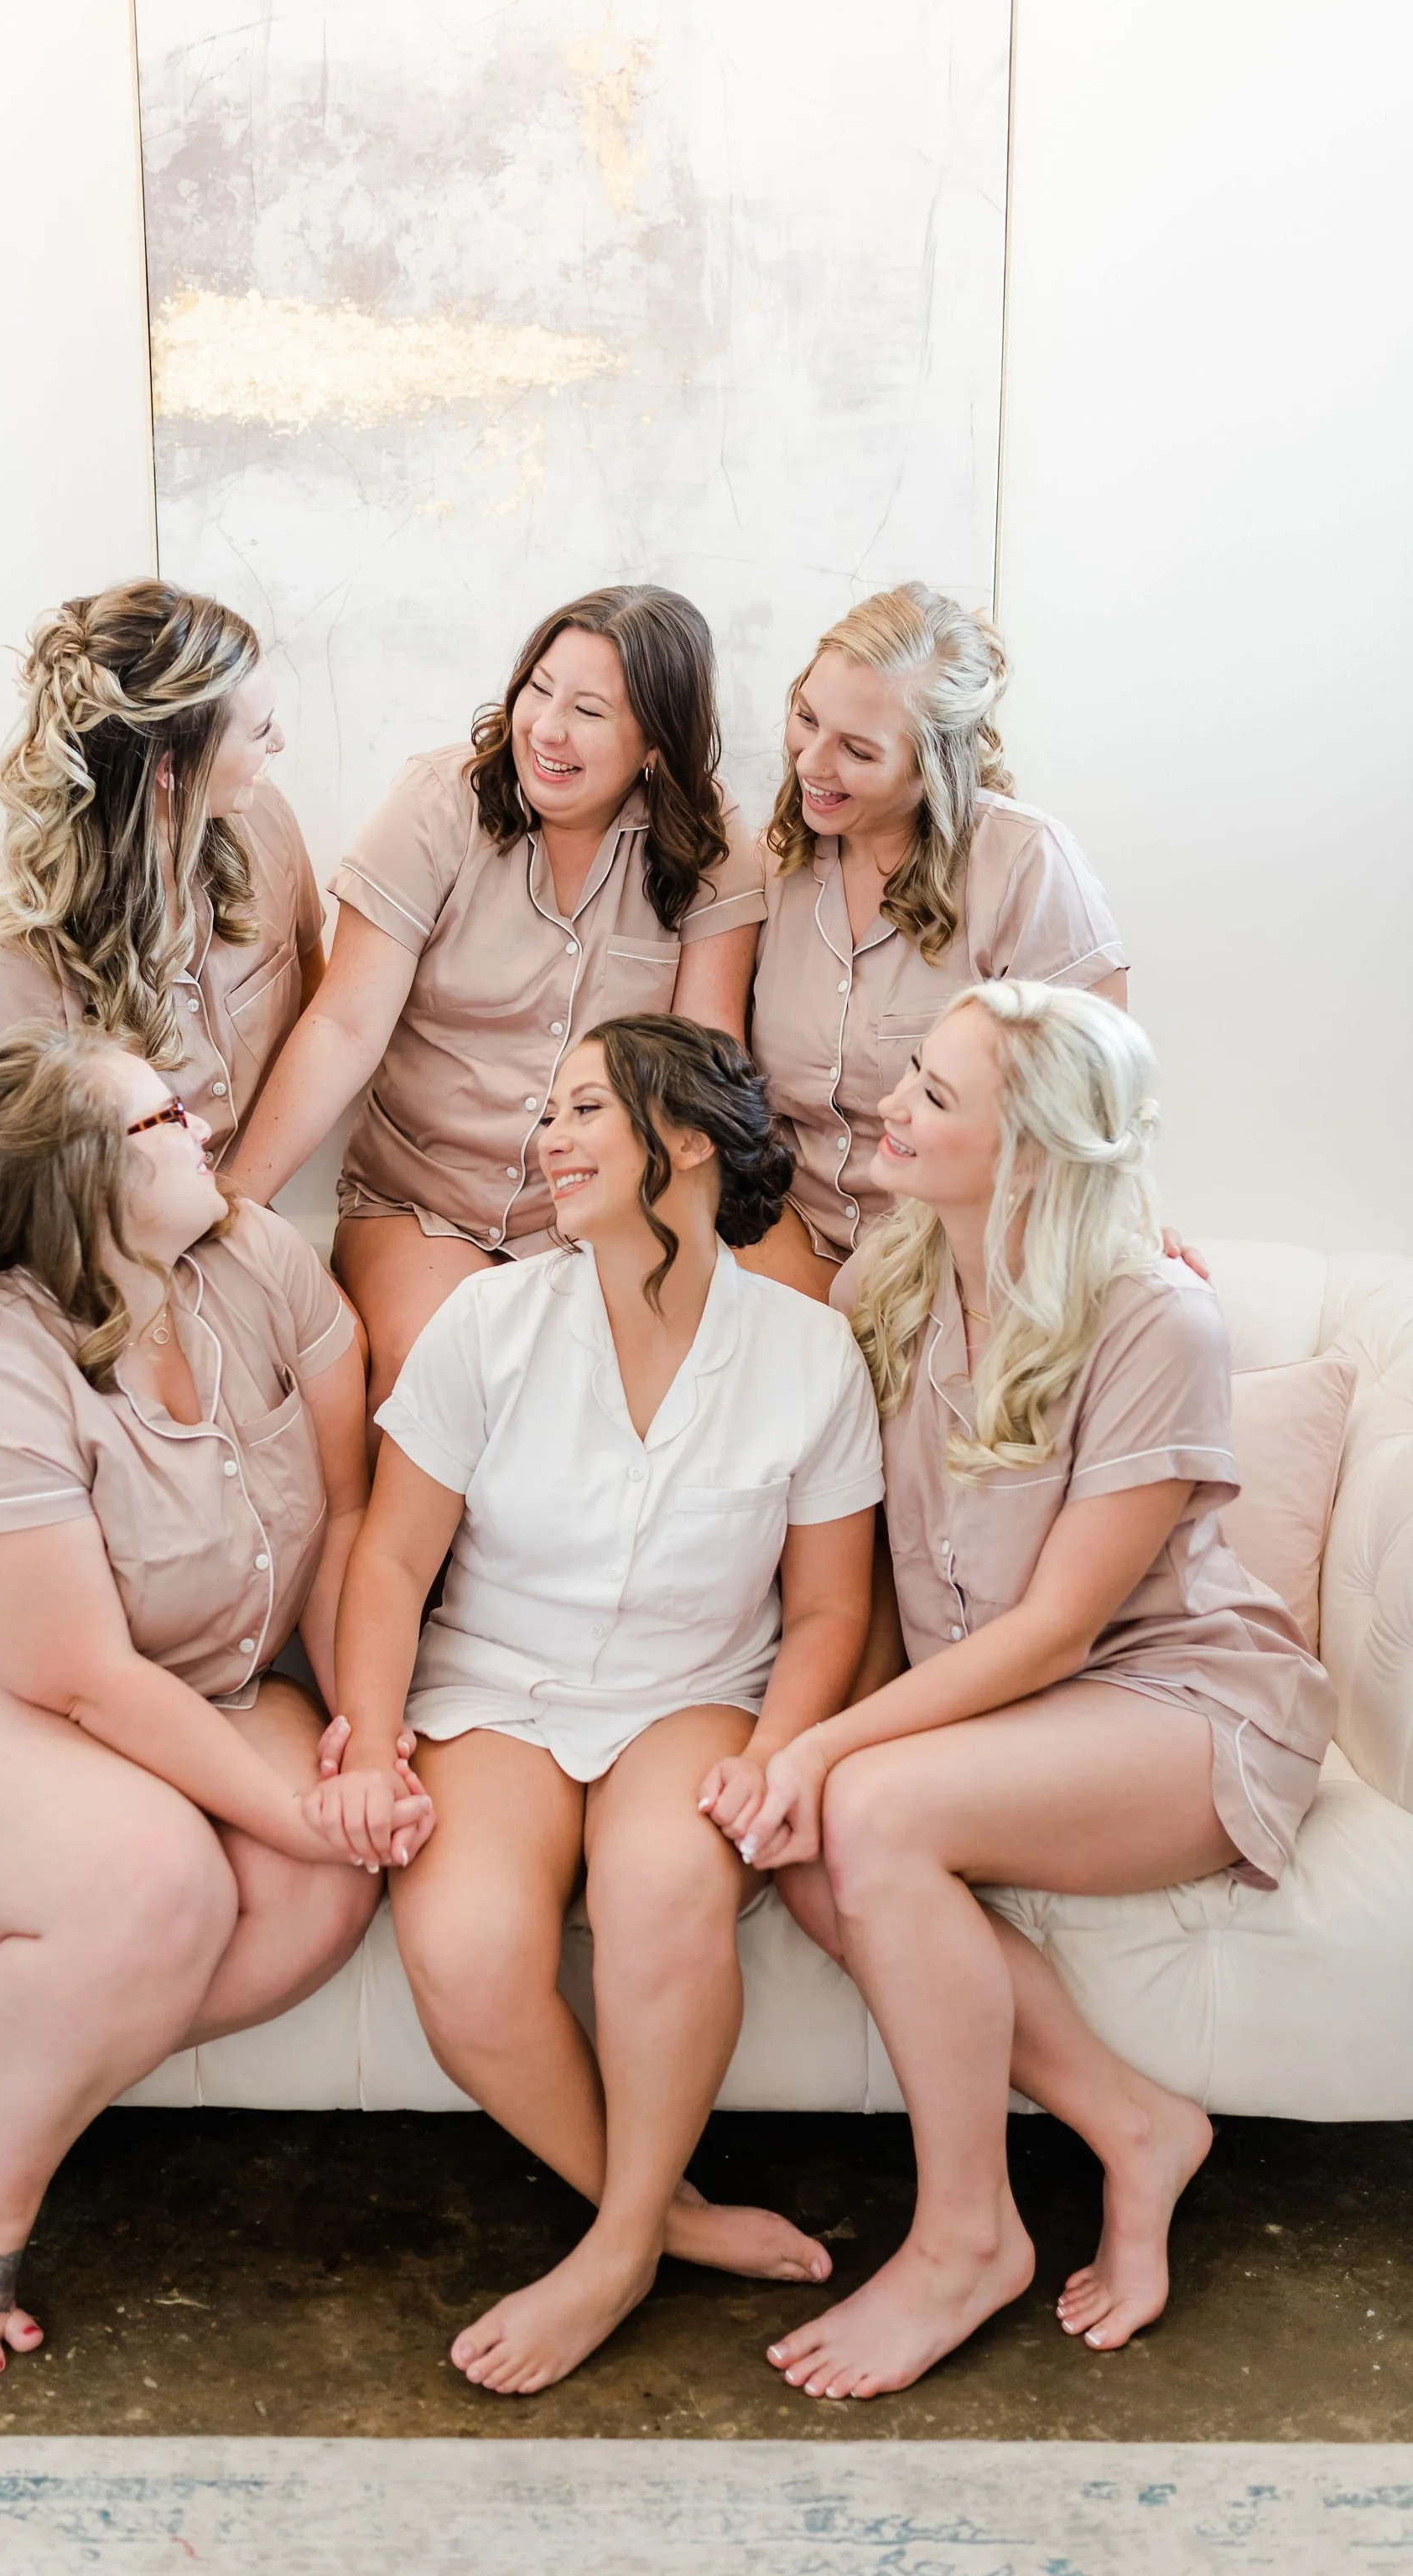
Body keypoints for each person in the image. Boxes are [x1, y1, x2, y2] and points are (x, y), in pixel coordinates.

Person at [709, 980, 1336, 2401]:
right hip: (999, 1710)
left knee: (859, 1808)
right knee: (812, 1840)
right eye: (909, 1076)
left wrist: (831, 1753)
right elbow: (856, 1573)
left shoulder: (1154, 1316)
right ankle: (1131, 2123)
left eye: (934, 1094)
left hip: (1177, 1702)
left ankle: (962, 2237)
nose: (891, 1106)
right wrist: (787, 1747)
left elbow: (1057, 1627)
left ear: (1037, 1152)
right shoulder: (891, 1276)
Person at [0, 1026, 426, 2380]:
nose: (200, 1122)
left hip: (194, 1681)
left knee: (325, 1893)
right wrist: (300, 1809)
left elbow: (353, 1506)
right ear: (86, 1178)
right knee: (159, 1884)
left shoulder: (257, 1260)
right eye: (161, 1118)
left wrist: (361, 1748)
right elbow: (74, 1672)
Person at [314, 1016, 884, 2395]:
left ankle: (614, 2249)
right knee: (463, 1948)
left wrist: (775, 1754)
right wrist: (374, 1740)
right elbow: (389, 1558)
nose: (548, 1139)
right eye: (547, 1113)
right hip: (492, 1681)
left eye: (583, 1111)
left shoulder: (809, 1355)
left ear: (683, 1140)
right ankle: (670, 2218)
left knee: (661, 1893)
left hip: (694, 1690)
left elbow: (823, 1613)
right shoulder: (490, 1321)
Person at [225, 587, 768, 1425]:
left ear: (654, 744)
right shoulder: (441, 799)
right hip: (424, 1202)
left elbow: (701, 1064)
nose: (545, 729)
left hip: (602, 1208)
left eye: (587, 710)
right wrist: (231, 1209)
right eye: (537, 689)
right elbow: (342, 1023)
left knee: (610, 1397)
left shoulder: (709, 839)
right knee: (434, 1362)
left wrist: (680, 1251)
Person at [740, 584, 1130, 1303]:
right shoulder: (771, 863)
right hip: (782, 1243)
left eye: (856, 750)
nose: (810, 763)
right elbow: (725, 1096)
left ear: (931, 767)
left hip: (958, 1265)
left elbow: (1091, 1117)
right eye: (805, 719)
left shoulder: (1025, 865)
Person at [0, 580, 325, 1162]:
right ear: (171, 768)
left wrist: (243, 1206)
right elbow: (1, 1168)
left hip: (240, 1209)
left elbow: (315, 998)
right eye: (257, 731)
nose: (280, 740)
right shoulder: (20, 930)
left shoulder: (266, 820)